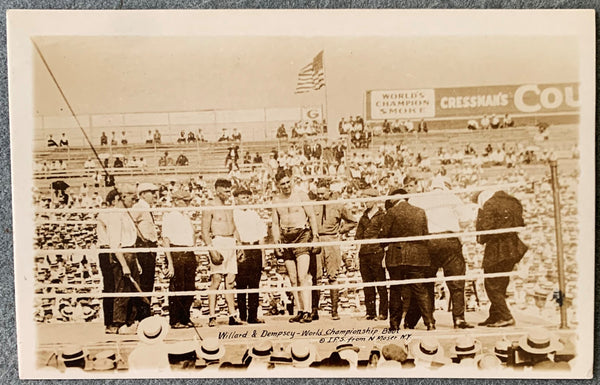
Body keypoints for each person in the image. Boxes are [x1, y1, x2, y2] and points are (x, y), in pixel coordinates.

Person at [409, 179, 473, 329]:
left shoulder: (421, 199)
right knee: (456, 281)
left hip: (429, 241)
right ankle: (458, 319)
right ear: (445, 186)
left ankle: (430, 320)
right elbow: (466, 219)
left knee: (428, 282)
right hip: (449, 240)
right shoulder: (451, 197)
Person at [379, 188, 434, 331]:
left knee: (396, 290)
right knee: (420, 290)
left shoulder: (391, 213)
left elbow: (384, 236)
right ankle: (429, 322)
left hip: (396, 255)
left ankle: (395, 324)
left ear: (393, 199)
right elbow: (425, 235)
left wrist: (384, 243)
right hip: (417, 255)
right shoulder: (420, 211)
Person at [272, 169, 319, 323]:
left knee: (302, 276)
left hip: (302, 235)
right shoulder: (276, 200)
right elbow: (274, 222)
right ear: (277, 185)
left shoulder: (300, 195)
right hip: (286, 237)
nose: (286, 186)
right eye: (282, 184)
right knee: (292, 278)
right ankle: (299, 310)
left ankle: (307, 311)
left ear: (291, 180)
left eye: (287, 182)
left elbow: (311, 216)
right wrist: (277, 240)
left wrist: (315, 236)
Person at [476, 189, 528, 328]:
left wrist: (480, 215)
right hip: (514, 247)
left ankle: (506, 317)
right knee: (501, 283)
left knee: (491, 284)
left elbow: (485, 230)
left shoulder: (489, 204)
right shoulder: (514, 201)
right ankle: (495, 315)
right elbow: (521, 223)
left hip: (497, 249)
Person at [312, 180, 357, 320]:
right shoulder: (313, 205)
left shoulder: (338, 205)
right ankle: (314, 310)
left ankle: (334, 310)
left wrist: (340, 230)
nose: (320, 196)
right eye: (318, 193)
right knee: (316, 277)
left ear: (329, 192)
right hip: (318, 240)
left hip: (332, 241)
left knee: (333, 276)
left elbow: (353, 221)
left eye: (322, 193)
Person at [201, 178, 243, 327]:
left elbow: (234, 227)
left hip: (231, 242)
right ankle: (212, 316)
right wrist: (212, 250)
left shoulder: (229, 207)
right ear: (217, 190)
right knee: (216, 280)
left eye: (229, 190)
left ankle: (232, 315)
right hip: (218, 242)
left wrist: (239, 245)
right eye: (225, 190)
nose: (228, 193)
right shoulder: (210, 206)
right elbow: (204, 231)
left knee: (230, 282)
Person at [109, 184, 142, 334]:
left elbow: (132, 240)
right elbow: (115, 244)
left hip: (131, 254)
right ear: (122, 197)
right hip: (121, 255)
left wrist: (135, 262)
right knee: (122, 290)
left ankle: (130, 322)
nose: (134, 201)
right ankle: (119, 323)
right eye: (131, 198)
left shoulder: (126, 215)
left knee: (133, 292)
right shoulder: (115, 216)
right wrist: (124, 265)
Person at [162, 190, 197, 328]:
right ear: (176, 201)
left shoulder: (186, 217)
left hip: (188, 252)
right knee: (177, 286)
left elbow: (192, 237)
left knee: (189, 287)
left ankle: (185, 317)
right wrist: (170, 263)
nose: (188, 203)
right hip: (176, 252)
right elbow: (166, 240)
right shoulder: (169, 217)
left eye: (189, 201)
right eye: (185, 201)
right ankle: (175, 320)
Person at [232, 187, 268, 324]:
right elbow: (234, 233)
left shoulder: (254, 214)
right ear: (236, 199)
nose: (246, 200)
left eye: (247, 197)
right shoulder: (233, 214)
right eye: (243, 197)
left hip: (255, 250)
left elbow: (261, 236)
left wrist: (263, 257)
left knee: (254, 284)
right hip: (242, 249)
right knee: (241, 284)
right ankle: (242, 316)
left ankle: (253, 316)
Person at [355, 187, 388, 321]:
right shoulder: (363, 217)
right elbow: (358, 237)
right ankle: (370, 312)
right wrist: (357, 255)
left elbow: (386, 237)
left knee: (380, 284)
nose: (364, 202)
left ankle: (383, 313)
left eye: (367, 198)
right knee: (367, 284)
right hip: (364, 254)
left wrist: (384, 256)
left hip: (377, 253)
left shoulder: (382, 216)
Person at [132, 182, 159, 321]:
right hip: (143, 246)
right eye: (151, 192)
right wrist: (141, 239)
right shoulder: (139, 207)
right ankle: (142, 315)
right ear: (142, 194)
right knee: (144, 281)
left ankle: (145, 312)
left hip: (150, 246)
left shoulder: (147, 208)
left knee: (149, 280)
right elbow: (131, 222)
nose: (155, 195)